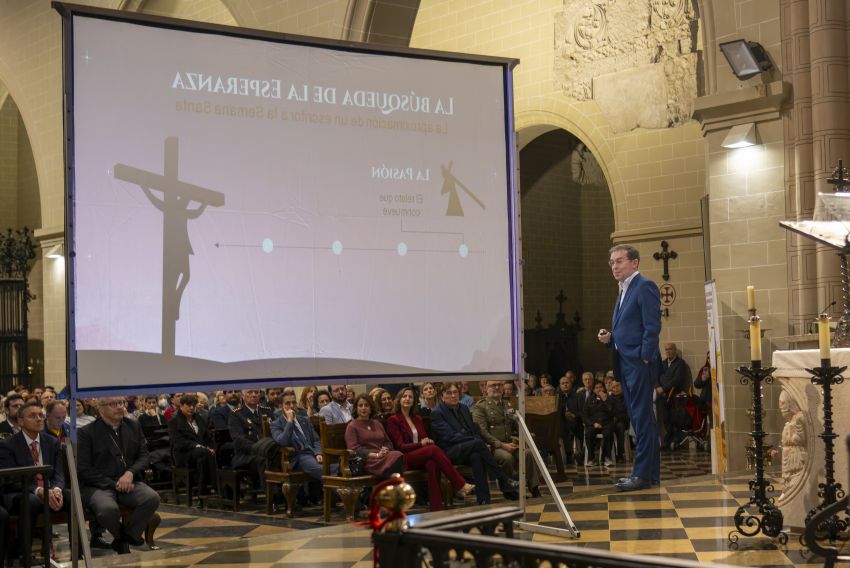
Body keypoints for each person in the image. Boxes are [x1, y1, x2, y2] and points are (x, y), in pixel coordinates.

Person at [597, 243, 661, 491]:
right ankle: (649, 474)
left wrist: (644, 358)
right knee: (640, 419)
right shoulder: (623, 290)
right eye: (612, 262)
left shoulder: (644, 286)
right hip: (626, 363)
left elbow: (652, 327)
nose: (614, 266)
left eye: (619, 261)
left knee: (642, 420)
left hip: (638, 364)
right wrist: (610, 338)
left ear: (634, 263)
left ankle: (642, 475)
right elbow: (629, 329)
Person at [77, 397, 161, 554]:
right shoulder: (86, 432)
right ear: (100, 409)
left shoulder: (133, 425)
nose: (119, 407)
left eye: (121, 403)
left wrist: (130, 473)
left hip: (129, 482)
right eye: (113, 404)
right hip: (99, 485)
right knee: (107, 510)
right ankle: (122, 537)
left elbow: (144, 456)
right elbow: (84, 469)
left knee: (152, 498)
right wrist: (114, 484)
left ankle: (129, 535)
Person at [0, 401, 70, 560]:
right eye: (33, 416)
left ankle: (78, 552)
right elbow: (11, 479)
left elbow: (58, 473)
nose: (39, 419)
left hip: (50, 489)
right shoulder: (8, 445)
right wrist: (38, 490)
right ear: (20, 421)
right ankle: (24, 554)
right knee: (31, 500)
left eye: (41, 415)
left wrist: (57, 489)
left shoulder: (51, 442)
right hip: (20, 493)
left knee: (72, 496)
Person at [386, 387, 474, 511]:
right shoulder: (393, 420)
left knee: (433, 464)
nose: (407, 399)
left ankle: (436, 507)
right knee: (433, 450)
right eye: (404, 396)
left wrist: (426, 441)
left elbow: (424, 438)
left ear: (414, 400)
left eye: (410, 397)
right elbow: (400, 447)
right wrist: (421, 444)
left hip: (420, 455)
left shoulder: (417, 419)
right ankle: (459, 484)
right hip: (404, 458)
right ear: (399, 399)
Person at [430, 383, 519, 504]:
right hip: (449, 451)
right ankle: (503, 479)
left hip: (469, 447)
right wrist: (476, 441)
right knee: (478, 444)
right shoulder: (437, 412)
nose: (453, 395)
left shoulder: (463, 408)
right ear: (442, 396)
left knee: (476, 456)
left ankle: (483, 499)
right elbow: (449, 437)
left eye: (455, 392)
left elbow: (473, 430)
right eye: (449, 393)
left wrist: (479, 442)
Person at [472, 380, 540, 496]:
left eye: (499, 385)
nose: (497, 387)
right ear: (486, 389)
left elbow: (515, 425)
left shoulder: (507, 404)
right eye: (493, 385)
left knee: (528, 454)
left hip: (510, 443)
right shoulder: (480, 407)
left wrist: (525, 438)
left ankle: (534, 487)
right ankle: (509, 490)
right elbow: (482, 432)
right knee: (507, 458)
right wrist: (502, 445)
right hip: (493, 446)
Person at [270, 391, 325, 506]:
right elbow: (283, 441)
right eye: (287, 403)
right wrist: (289, 421)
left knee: (334, 466)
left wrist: (318, 453)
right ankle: (352, 502)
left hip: (312, 455)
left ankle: (339, 497)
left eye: (293, 403)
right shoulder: (276, 424)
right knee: (327, 471)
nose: (291, 406)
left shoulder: (304, 419)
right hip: (296, 457)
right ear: (281, 406)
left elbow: (316, 440)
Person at [344, 395, 404, 478]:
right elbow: (354, 448)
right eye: (360, 405)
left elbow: (388, 442)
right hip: (366, 460)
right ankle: (393, 487)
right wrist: (375, 455)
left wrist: (385, 449)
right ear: (356, 409)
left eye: (366, 405)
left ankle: (391, 486)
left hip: (382, 456)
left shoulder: (377, 423)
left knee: (397, 454)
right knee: (395, 457)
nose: (363, 408)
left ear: (371, 408)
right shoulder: (352, 426)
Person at [170, 393, 217, 496]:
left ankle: (204, 489)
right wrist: (198, 446)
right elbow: (179, 442)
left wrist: (211, 447)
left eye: (193, 406)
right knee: (202, 453)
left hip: (202, 453)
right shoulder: (174, 421)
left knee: (206, 455)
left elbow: (208, 436)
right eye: (189, 405)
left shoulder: (199, 419)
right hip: (184, 454)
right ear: (181, 406)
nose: (191, 408)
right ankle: (213, 486)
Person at [228, 389, 274, 487]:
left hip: (269, 450)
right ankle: (271, 497)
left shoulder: (266, 410)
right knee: (264, 460)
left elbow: (275, 431)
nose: (253, 395)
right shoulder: (236, 413)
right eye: (249, 392)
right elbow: (239, 440)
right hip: (246, 455)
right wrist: (260, 448)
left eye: (256, 392)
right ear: (243, 396)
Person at [656, 342, 692, 449]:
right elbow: (656, 377)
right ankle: (668, 442)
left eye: (670, 349)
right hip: (663, 396)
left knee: (675, 420)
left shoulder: (680, 363)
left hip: (675, 397)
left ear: (675, 350)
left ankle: (676, 442)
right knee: (666, 420)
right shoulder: (662, 364)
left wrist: (663, 388)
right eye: (666, 349)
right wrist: (658, 387)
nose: (668, 351)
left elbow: (677, 380)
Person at [582, 382, 614, 466]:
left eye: (601, 387)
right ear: (593, 390)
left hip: (606, 423)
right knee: (588, 433)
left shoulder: (610, 398)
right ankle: (591, 458)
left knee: (608, 433)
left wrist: (605, 400)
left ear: (604, 389)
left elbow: (612, 412)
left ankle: (607, 457)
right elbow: (585, 416)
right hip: (594, 423)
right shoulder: (589, 399)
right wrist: (593, 423)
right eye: (596, 387)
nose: (599, 389)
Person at [557, 374, 582, 465]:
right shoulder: (557, 397)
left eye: (567, 383)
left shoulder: (578, 396)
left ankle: (574, 454)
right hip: (562, 424)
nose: (565, 385)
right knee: (563, 428)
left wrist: (574, 415)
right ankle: (569, 454)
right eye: (563, 383)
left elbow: (582, 412)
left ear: (571, 384)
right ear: (560, 385)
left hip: (576, 422)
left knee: (569, 428)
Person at [609, 380, 629, 462]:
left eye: (617, 386)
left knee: (620, 426)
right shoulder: (609, 399)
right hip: (611, 423)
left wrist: (616, 416)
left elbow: (628, 414)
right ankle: (607, 455)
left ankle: (620, 454)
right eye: (613, 387)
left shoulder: (627, 397)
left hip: (624, 422)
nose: (616, 388)